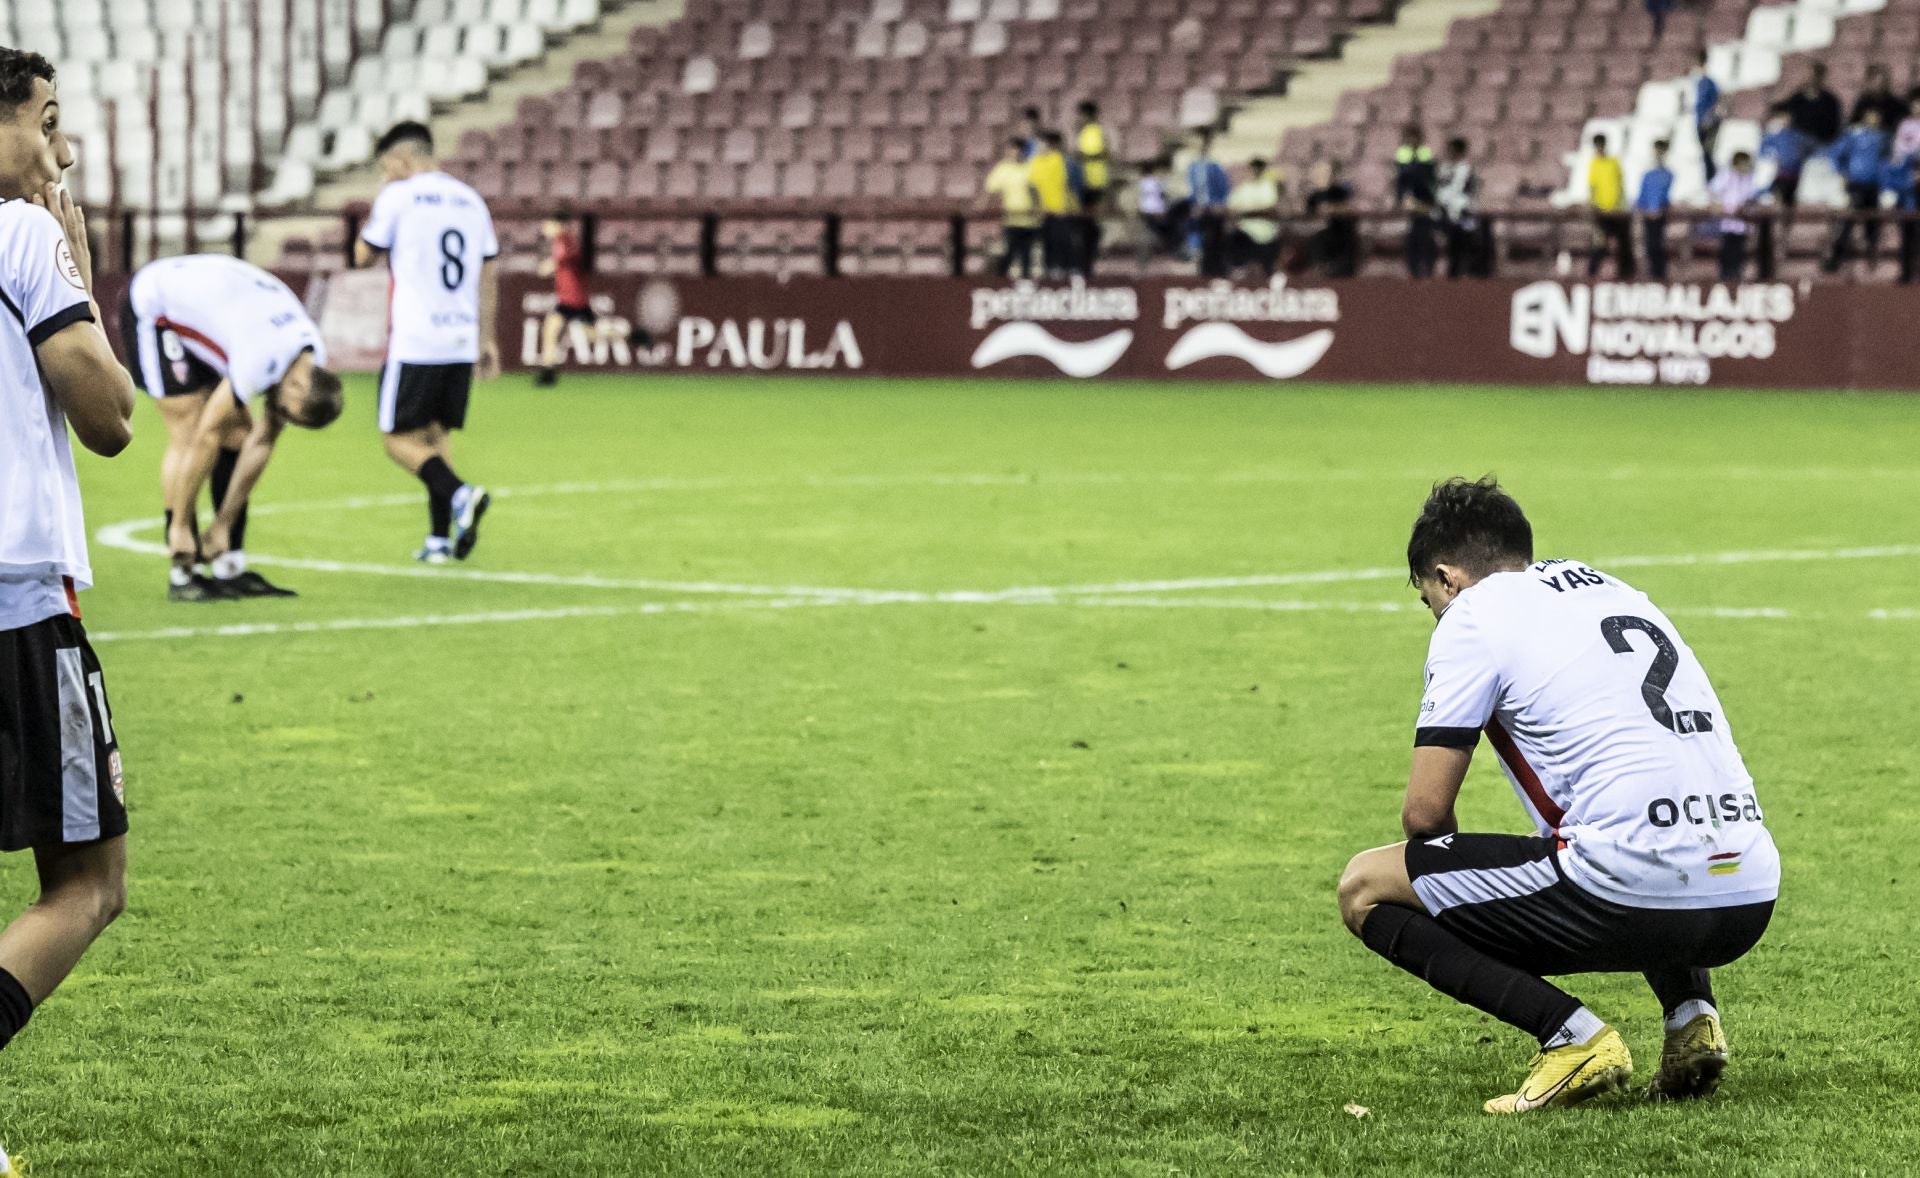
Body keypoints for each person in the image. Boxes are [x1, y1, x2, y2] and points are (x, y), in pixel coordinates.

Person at [1338, 477, 1779, 1114]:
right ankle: (1692, 1019)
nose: (1436, 612)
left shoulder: (1473, 616)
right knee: (1628, 825)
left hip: (1629, 890)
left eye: (1429, 598)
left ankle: (1572, 1039)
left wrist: (1457, 902)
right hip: (1749, 893)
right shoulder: (1609, 587)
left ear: (1447, 577)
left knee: (1365, 886)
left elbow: (1425, 816)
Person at [0, 51, 139, 1162]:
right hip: (16, 605)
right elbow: (108, 416)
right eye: (46, 122)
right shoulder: (21, 236)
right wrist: (81, 277)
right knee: (88, 884)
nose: (56, 149)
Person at [126, 255, 343, 601]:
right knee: (190, 426)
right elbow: (206, 435)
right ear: (298, 387)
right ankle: (183, 569)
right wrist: (182, 524)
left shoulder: (308, 353)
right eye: (287, 412)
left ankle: (228, 564)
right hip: (159, 305)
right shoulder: (261, 357)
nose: (280, 417)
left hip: (216, 312)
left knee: (240, 433)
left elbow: (262, 440)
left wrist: (223, 522)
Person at [355, 121, 501, 564]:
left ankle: (461, 495)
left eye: (386, 166)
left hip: (416, 339)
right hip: (459, 336)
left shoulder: (397, 196)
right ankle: (439, 539)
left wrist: (385, 194)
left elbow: (363, 257)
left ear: (400, 160)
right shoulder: (471, 200)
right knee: (435, 437)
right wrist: (486, 337)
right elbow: (489, 271)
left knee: (396, 440)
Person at [1824, 107, 1892, 271]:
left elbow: (1888, 161)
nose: (1873, 119)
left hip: (1874, 185)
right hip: (1856, 184)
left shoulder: (1884, 138)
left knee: (1873, 224)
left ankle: (1872, 261)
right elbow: (1835, 154)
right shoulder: (1854, 135)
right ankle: (1836, 258)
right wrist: (1841, 174)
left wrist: (1887, 185)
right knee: (1847, 221)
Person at [533, 213, 595, 388]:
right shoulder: (563, 240)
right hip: (574, 297)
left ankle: (548, 372)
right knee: (554, 330)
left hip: (572, 298)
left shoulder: (564, 239)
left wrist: (551, 265)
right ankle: (548, 372)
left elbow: (567, 257)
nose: (545, 228)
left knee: (551, 329)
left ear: (557, 224)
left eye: (548, 224)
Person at [979, 138, 1039, 278]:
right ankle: (1002, 284)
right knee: (1010, 253)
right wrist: (979, 207)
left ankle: (1026, 286)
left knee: (1027, 256)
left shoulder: (1032, 168)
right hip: (1012, 220)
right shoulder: (1003, 168)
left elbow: (1039, 191)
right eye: (1010, 149)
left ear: (1022, 151)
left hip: (1031, 221)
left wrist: (1037, 210)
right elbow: (989, 190)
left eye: (1015, 149)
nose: (1012, 153)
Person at [1025, 130, 1075, 280]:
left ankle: (1065, 271)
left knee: (1062, 242)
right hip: (1043, 212)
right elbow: (1031, 186)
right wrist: (1035, 205)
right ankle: (1048, 273)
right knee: (1046, 244)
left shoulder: (1058, 159)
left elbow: (1066, 183)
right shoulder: (1034, 163)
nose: (1040, 147)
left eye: (1043, 144)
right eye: (1038, 145)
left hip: (1060, 210)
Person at [1298, 158, 1358, 277]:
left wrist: (1331, 208)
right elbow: (1306, 210)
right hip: (1322, 237)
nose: (1319, 176)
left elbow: (1349, 207)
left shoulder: (1338, 191)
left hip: (1341, 234)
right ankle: (1320, 269)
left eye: (1323, 173)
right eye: (1316, 173)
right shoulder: (1314, 195)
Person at [1708, 151, 1763, 281]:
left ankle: (1736, 276)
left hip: (1742, 222)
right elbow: (1713, 190)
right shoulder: (1726, 176)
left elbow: (1753, 196)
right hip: (1728, 221)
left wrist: (1746, 206)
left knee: (1739, 251)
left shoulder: (1750, 179)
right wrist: (1718, 206)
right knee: (1727, 250)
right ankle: (1725, 277)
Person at [1393, 124, 1439, 278]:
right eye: (1409, 137)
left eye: (1414, 137)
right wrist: (1402, 199)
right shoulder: (1402, 153)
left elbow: (1428, 178)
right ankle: (1413, 270)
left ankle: (1427, 268)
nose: (1412, 140)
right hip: (1410, 200)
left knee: (1425, 236)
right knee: (1413, 237)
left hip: (1425, 201)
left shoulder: (1425, 153)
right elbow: (1401, 179)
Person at [1184, 130, 1232, 276]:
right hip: (1196, 211)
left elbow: (1224, 187)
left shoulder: (1215, 166)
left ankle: (1215, 269)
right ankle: (1195, 262)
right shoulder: (1191, 167)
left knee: (1213, 243)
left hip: (1212, 212)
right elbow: (1188, 190)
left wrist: (1217, 204)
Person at [1225, 157, 1283, 276]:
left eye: (1258, 169)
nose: (1255, 171)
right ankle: (1237, 269)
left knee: (1267, 269)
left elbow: (1269, 208)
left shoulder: (1268, 186)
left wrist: (1247, 212)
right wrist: (1249, 211)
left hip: (1266, 233)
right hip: (1245, 232)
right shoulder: (1244, 187)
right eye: (1253, 168)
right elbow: (1232, 207)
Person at [1586, 135, 1634, 278]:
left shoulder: (1613, 163)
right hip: (1601, 213)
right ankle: (1591, 274)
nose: (1599, 149)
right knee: (1600, 244)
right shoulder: (1594, 164)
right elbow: (1592, 187)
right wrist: (1593, 206)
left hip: (1616, 212)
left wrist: (1621, 205)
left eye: (1601, 145)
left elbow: (1621, 186)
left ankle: (1625, 275)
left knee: (1623, 243)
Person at [1435, 136, 1483, 278]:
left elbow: (1467, 192)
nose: (1448, 154)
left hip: (1463, 212)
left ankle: (1469, 275)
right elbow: (1440, 189)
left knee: (1466, 245)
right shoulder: (1444, 169)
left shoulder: (1466, 169)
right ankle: (1452, 277)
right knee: (1452, 248)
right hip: (1447, 212)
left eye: (1451, 150)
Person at [1757, 112, 1813, 229]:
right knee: (1773, 200)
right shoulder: (1773, 136)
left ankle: (1785, 227)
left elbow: (1809, 151)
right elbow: (1763, 151)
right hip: (1778, 175)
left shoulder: (1799, 137)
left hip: (1793, 176)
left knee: (1788, 204)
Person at [1073, 100, 1109, 276]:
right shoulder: (1085, 132)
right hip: (1086, 181)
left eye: (1080, 114)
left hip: (1093, 182)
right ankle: (1086, 256)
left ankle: (1090, 256)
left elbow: (1099, 153)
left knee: (1089, 222)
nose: (1077, 118)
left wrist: (1079, 156)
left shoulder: (1094, 131)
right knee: (1086, 222)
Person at [1635, 139, 1675, 280]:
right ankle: (1652, 275)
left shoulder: (1669, 174)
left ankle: (1660, 275)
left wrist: (1662, 208)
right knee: (1650, 246)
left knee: (1659, 245)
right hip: (1649, 215)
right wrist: (1645, 209)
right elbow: (1641, 196)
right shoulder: (1648, 174)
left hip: (1661, 215)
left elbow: (1670, 196)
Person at [1134, 158, 1182, 264]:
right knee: (1149, 237)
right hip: (1152, 215)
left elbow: (1166, 197)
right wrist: (1157, 211)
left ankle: (1176, 253)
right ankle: (1143, 261)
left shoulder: (1158, 182)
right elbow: (1152, 199)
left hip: (1159, 215)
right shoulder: (1150, 182)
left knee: (1172, 232)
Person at [1849, 64, 1908, 134]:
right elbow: (1852, 126)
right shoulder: (1863, 102)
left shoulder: (1896, 104)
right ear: (1869, 82)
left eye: (1882, 81)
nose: (1879, 85)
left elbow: (1903, 127)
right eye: (1875, 81)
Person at [1693, 51, 1723, 183]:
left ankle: (1712, 180)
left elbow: (1717, 101)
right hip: (1699, 122)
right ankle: (1710, 181)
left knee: (1708, 153)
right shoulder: (1697, 82)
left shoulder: (1710, 82)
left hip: (1708, 123)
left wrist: (1708, 118)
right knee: (1705, 154)